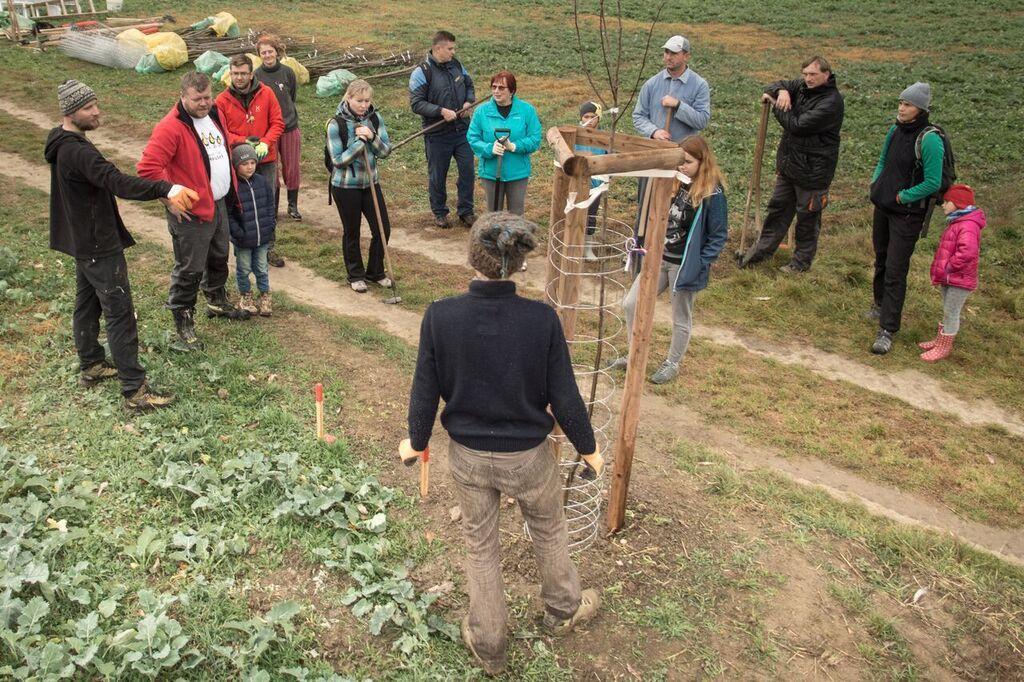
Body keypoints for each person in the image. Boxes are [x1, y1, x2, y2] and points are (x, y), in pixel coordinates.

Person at [402, 212, 603, 676]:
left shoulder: (440, 316)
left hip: (469, 457)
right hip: (530, 458)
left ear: (472, 255)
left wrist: (415, 441)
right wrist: (587, 448)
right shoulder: (542, 320)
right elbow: (565, 395)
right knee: (549, 530)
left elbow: (423, 389)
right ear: (519, 263)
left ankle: (490, 642)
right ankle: (563, 608)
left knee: (480, 544)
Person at [45, 79, 191, 410]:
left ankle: (92, 364)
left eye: (95, 104)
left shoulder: (63, 142)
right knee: (120, 312)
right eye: (88, 108)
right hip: (98, 243)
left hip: (82, 241)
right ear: (70, 113)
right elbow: (117, 182)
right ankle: (135, 391)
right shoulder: (76, 151)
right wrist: (164, 189)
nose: (97, 112)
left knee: (87, 304)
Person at [138, 71, 250, 353]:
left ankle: (216, 300)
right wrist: (168, 198)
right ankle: (183, 322)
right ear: (182, 96)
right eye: (197, 99)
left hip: (218, 203)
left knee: (219, 255)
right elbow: (147, 169)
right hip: (190, 213)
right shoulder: (170, 127)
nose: (204, 103)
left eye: (207, 96)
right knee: (189, 268)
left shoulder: (214, 113)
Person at [610, 136, 728, 384]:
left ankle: (672, 363)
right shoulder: (673, 181)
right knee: (632, 303)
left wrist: (699, 262)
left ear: (701, 161)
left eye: (687, 162)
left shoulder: (712, 193)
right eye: (679, 161)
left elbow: (718, 235)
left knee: (680, 317)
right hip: (658, 259)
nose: (681, 166)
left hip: (683, 266)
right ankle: (634, 354)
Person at [737, 56, 844, 273]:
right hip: (789, 168)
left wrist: (777, 105)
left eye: (813, 74)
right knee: (777, 211)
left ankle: (800, 264)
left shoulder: (831, 103)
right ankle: (759, 255)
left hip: (814, 172)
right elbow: (773, 85)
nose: (807, 79)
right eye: (805, 74)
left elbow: (797, 125)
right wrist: (783, 91)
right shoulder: (802, 87)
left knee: (807, 220)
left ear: (826, 74)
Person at [868, 82, 945, 355]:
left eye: (908, 104)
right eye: (900, 102)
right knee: (881, 258)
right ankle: (879, 305)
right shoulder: (895, 130)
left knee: (895, 269)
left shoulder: (930, 139)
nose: (902, 108)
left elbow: (933, 182)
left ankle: (888, 329)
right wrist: (877, 183)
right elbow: (882, 160)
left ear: (921, 109)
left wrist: (903, 197)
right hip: (884, 206)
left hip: (908, 214)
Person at [215, 54, 286, 267]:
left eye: (243, 73)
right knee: (240, 203)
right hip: (238, 162)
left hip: (266, 159)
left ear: (251, 74)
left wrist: (266, 142)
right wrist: (243, 142)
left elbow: (277, 122)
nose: (238, 78)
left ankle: (268, 248)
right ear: (230, 73)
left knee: (267, 202)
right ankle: (243, 246)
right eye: (235, 74)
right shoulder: (221, 100)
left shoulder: (267, 93)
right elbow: (222, 131)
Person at [326, 79, 394, 293]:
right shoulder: (335, 124)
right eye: (359, 101)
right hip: (345, 186)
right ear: (348, 98)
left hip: (370, 183)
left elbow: (385, 150)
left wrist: (371, 136)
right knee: (352, 230)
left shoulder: (375, 118)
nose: (364, 105)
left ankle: (375, 272)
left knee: (382, 228)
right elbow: (337, 160)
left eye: (367, 100)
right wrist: (360, 143)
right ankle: (355, 274)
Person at [409, 30, 477, 228]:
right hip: (437, 134)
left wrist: (468, 102)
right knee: (438, 175)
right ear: (437, 48)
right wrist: (440, 111)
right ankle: (440, 212)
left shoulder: (457, 66)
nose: (453, 52)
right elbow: (416, 104)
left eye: (453, 48)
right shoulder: (421, 73)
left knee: (468, 172)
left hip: (462, 131)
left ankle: (466, 211)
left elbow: (469, 85)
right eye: (450, 49)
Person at [920, 184, 985, 362]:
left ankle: (944, 347)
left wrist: (948, 267)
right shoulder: (957, 222)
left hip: (959, 278)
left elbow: (968, 252)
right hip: (951, 277)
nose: (943, 204)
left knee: (952, 311)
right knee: (947, 309)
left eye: (947, 201)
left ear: (959, 204)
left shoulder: (968, 225)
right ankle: (940, 340)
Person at [467, 70, 542, 216]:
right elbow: (472, 138)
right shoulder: (481, 111)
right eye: (494, 87)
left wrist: (515, 146)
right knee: (493, 215)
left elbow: (535, 138)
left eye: (501, 88)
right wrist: (489, 148)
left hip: (518, 172)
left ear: (512, 91)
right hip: (490, 172)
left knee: (516, 214)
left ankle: (514, 238)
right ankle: (494, 239)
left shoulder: (526, 110)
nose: (496, 91)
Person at [254, 33, 303, 221]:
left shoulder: (287, 72)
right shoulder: (256, 76)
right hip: (267, 132)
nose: (267, 55)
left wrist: (285, 116)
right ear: (259, 54)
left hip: (289, 126)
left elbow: (291, 96)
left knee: (291, 168)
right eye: (263, 52)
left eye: (270, 51)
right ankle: (272, 208)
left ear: (277, 52)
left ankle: (293, 206)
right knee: (270, 170)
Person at [632, 35, 710, 142]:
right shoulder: (651, 84)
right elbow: (638, 116)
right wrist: (654, 132)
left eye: (674, 53)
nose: (668, 57)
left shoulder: (699, 85)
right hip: (655, 149)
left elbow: (702, 121)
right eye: (666, 52)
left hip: (684, 152)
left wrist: (678, 105)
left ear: (686, 56)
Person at [228, 143, 276, 316]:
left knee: (262, 268)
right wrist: (237, 233)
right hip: (243, 240)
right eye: (245, 163)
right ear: (235, 166)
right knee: (243, 269)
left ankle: (265, 296)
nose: (250, 167)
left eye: (252, 163)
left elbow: (270, 205)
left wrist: (270, 225)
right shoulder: (232, 187)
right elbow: (229, 214)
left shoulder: (262, 181)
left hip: (262, 237)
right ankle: (246, 297)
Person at [575, 100, 608, 261]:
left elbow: (609, 158)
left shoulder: (604, 137)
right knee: (573, 213)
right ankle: (572, 244)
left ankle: (587, 247)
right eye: (586, 116)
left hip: (596, 185)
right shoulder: (574, 134)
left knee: (591, 215)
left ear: (599, 119)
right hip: (575, 183)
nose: (589, 120)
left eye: (593, 117)